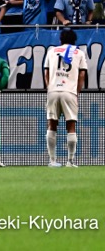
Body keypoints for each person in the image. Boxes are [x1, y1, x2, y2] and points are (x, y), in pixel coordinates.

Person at [44, 29, 88, 167]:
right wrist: (77, 92)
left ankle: (52, 161)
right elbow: (82, 75)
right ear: (75, 40)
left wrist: (49, 87)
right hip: (69, 91)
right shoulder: (79, 53)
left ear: (60, 39)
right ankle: (70, 161)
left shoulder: (51, 51)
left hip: (53, 90)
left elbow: (46, 71)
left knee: (52, 124)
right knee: (71, 125)